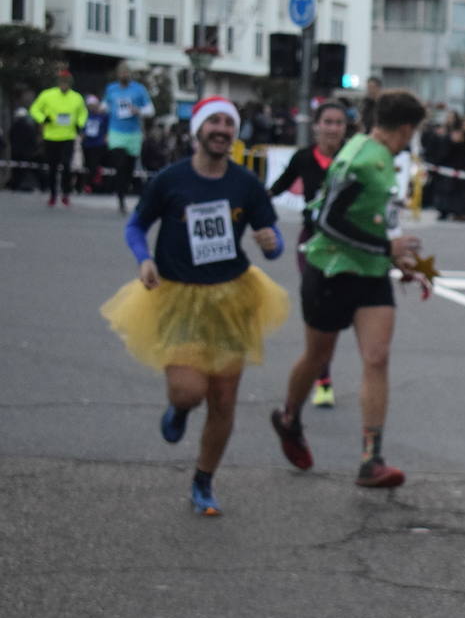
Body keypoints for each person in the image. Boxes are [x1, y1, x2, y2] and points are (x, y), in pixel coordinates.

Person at [99, 96, 288, 516]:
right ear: (198, 130)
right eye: (213, 121)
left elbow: (271, 237)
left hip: (231, 296)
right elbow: (136, 225)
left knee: (223, 399)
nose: (222, 129)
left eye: (229, 123)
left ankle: (204, 480)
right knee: (190, 391)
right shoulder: (170, 180)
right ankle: (180, 408)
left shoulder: (245, 184)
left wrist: (273, 243)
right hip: (178, 294)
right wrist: (143, 258)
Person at [269, 89, 429, 489]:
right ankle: (289, 418)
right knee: (317, 354)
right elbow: (325, 219)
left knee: (377, 357)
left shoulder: (382, 158)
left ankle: (371, 460)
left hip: (371, 271)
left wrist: (397, 258)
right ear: (406, 129)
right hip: (330, 268)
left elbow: (374, 220)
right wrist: (384, 247)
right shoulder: (359, 159)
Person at [267, 101, 349, 408]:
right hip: (311, 243)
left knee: (336, 314)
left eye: (338, 123)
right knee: (318, 311)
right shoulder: (303, 158)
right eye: (327, 122)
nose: (332, 128)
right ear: (316, 126)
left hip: (344, 247)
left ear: (345, 128)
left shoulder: (351, 158)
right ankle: (323, 380)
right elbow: (276, 189)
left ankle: (321, 368)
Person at [29, 68, 87, 207]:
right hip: (51, 136)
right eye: (62, 82)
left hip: (68, 136)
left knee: (67, 166)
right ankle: (53, 194)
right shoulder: (47, 95)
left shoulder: (77, 97)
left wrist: (80, 124)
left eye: (66, 83)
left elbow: (83, 113)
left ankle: (66, 193)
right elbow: (34, 109)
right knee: (52, 167)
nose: (64, 85)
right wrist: (43, 118)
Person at [103, 61, 156, 214]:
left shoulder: (139, 90)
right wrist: (99, 108)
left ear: (130, 74)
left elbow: (150, 110)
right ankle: (120, 198)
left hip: (133, 134)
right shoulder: (111, 89)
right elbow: (105, 106)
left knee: (128, 167)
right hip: (116, 132)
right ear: (118, 74)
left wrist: (137, 110)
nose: (124, 75)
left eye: (127, 72)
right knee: (119, 164)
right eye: (121, 72)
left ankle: (124, 191)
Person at [78, 95, 109, 194]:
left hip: (98, 143)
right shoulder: (86, 115)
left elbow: (106, 128)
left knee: (94, 164)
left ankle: (90, 185)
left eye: (93, 105)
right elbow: (82, 128)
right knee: (87, 165)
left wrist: (106, 138)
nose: (92, 107)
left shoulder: (103, 116)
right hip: (87, 143)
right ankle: (87, 184)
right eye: (90, 105)